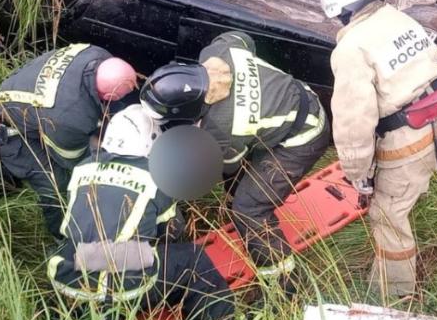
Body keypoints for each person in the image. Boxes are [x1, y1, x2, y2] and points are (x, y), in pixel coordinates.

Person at [320, 0, 437, 302]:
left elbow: (354, 121)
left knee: (386, 213)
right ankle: (412, 189)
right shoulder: (398, 18)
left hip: (412, 132)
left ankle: (391, 296)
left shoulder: (350, 49)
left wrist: (358, 175)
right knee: (410, 181)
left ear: (342, 13)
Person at [139, 31, 329, 280]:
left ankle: (284, 281)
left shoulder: (221, 127)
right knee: (241, 176)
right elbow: (242, 38)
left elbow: (228, 167)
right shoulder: (220, 52)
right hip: (299, 98)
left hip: (304, 137)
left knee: (248, 209)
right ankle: (240, 211)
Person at [47, 105, 235, 320]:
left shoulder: (83, 168)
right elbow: (172, 232)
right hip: (121, 287)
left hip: (68, 274)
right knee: (193, 259)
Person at [0, 43, 138, 234]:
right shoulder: (70, 116)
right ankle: (61, 235)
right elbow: (72, 161)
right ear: (107, 94)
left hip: (15, 96)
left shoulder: (97, 53)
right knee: (54, 183)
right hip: (8, 130)